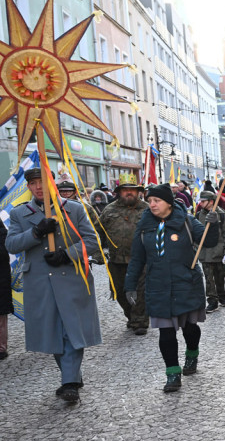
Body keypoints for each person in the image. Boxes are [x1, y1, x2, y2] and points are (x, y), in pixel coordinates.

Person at [7, 167, 102, 403]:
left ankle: (69, 383)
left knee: (72, 330)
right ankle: (73, 375)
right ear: (28, 187)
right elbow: (12, 245)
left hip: (71, 279)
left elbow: (91, 241)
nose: (38, 187)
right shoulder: (20, 214)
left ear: (52, 183)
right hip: (40, 283)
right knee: (53, 333)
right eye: (33, 183)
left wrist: (66, 255)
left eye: (43, 182)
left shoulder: (74, 209)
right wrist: (37, 232)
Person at [124, 184, 210, 392]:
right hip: (158, 286)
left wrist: (213, 224)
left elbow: (209, 240)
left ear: (169, 203)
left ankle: (192, 354)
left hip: (186, 283)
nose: (151, 204)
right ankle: (172, 374)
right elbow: (137, 258)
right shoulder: (144, 226)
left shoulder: (187, 221)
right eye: (149, 200)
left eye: (156, 201)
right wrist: (129, 284)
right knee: (166, 333)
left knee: (190, 328)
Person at [98, 176, 150, 334]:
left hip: (142, 259)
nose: (129, 193)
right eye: (125, 190)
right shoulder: (109, 210)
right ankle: (131, 315)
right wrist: (97, 252)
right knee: (120, 291)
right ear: (119, 192)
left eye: (132, 190)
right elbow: (97, 231)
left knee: (141, 291)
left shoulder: (148, 208)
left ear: (138, 192)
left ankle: (140, 321)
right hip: (117, 259)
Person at [195, 191, 225, 312]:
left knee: (220, 276)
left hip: (218, 252)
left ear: (211, 202)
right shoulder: (198, 215)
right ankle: (212, 300)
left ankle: (221, 296)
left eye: (203, 201)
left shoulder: (221, 215)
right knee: (208, 278)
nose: (201, 203)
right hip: (205, 253)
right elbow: (195, 234)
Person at [0, 218, 12, 360]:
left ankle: (1, 347)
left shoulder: (2, 232)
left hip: (1, 282)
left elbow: (4, 252)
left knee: (1, 317)